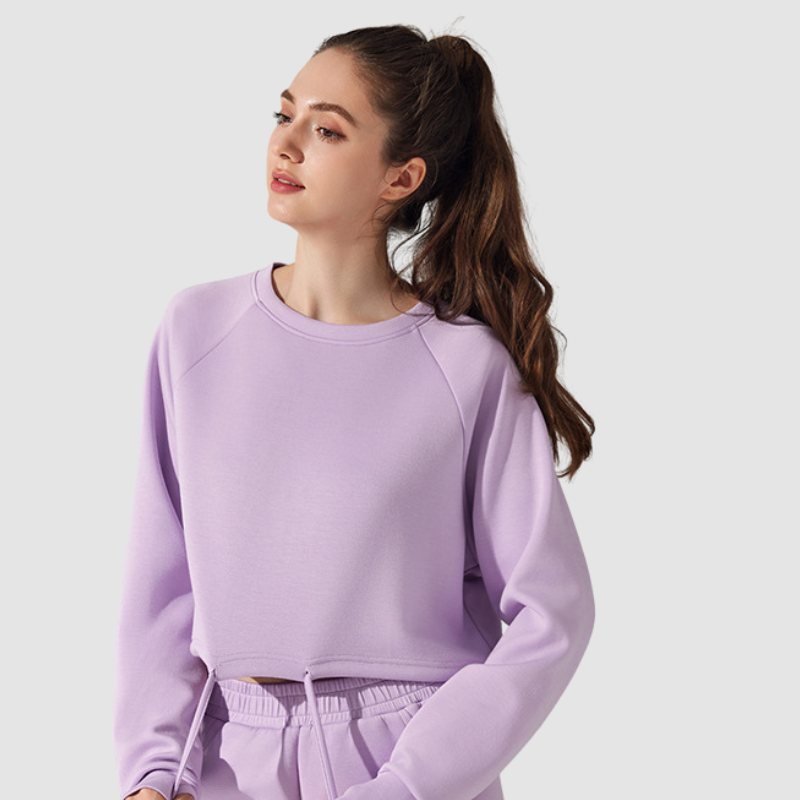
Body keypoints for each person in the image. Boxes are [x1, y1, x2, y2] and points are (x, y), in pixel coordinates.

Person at [113, 23, 596, 800]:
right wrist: (151, 770)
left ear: (402, 178)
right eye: (284, 115)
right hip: (221, 762)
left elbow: (553, 612)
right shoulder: (195, 331)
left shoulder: (465, 367)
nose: (286, 144)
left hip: (406, 765)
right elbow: (160, 581)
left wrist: (410, 784)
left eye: (327, 129)